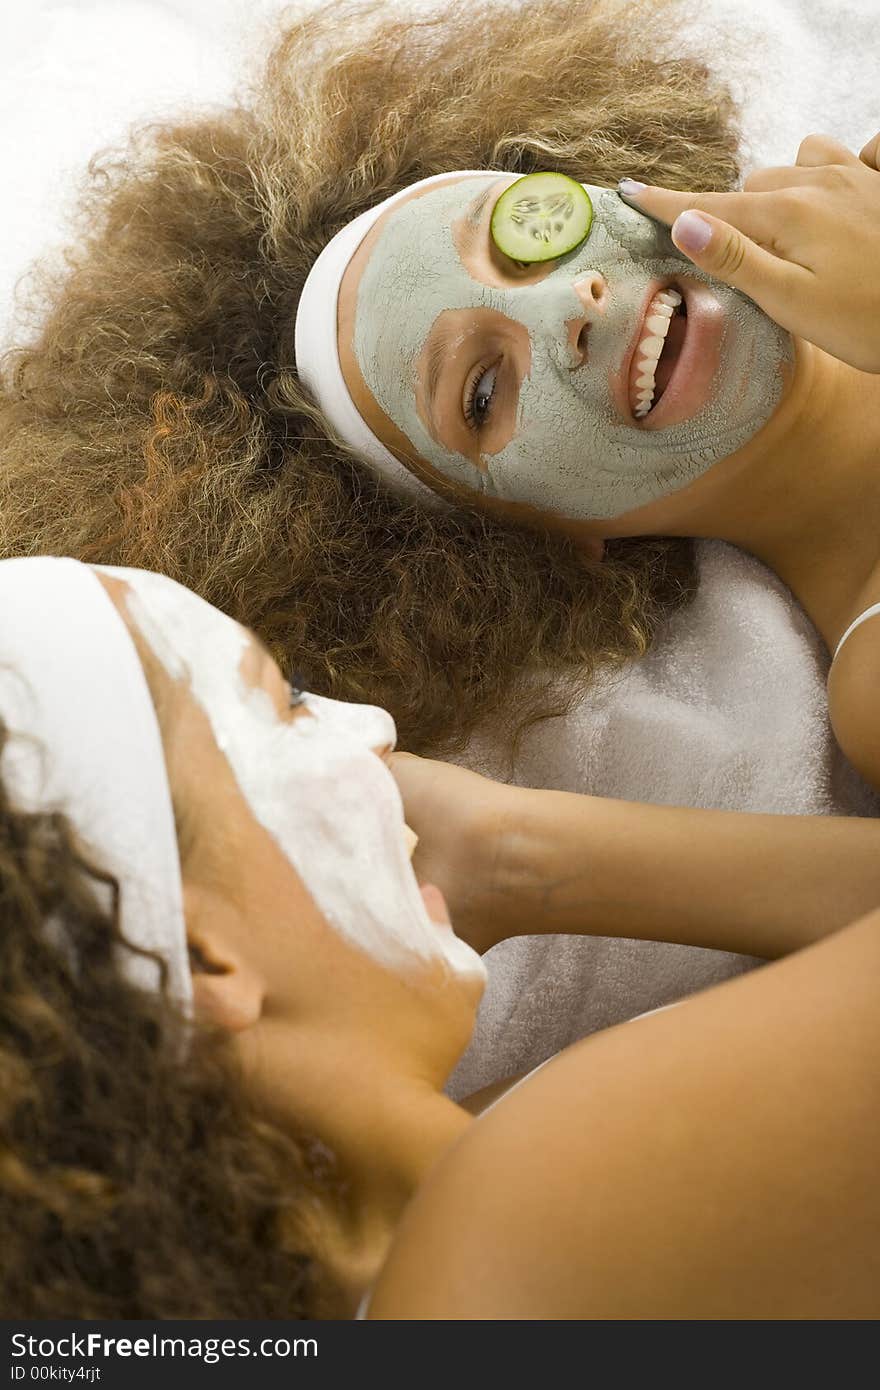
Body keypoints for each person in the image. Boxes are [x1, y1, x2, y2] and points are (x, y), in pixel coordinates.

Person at [1, 556, 878, 1319]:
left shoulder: (473, 1193)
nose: (376, 727)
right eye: (288, 707)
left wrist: (510, 855)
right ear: (201, 958)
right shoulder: (526, 1230)